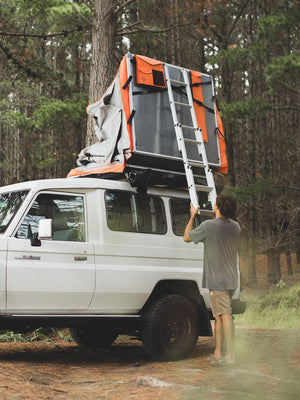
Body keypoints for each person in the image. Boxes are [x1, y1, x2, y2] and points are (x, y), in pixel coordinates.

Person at [183, 194, 240, 365]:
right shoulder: (236, 227)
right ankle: (217, 354)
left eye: (215, 204)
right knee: (219, 317)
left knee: (226, 316)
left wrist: (193, 215)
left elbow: (186, 237)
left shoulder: (208, 226)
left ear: (218, 207)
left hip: (217, 280)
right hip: (231, 279)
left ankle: (230, 356)